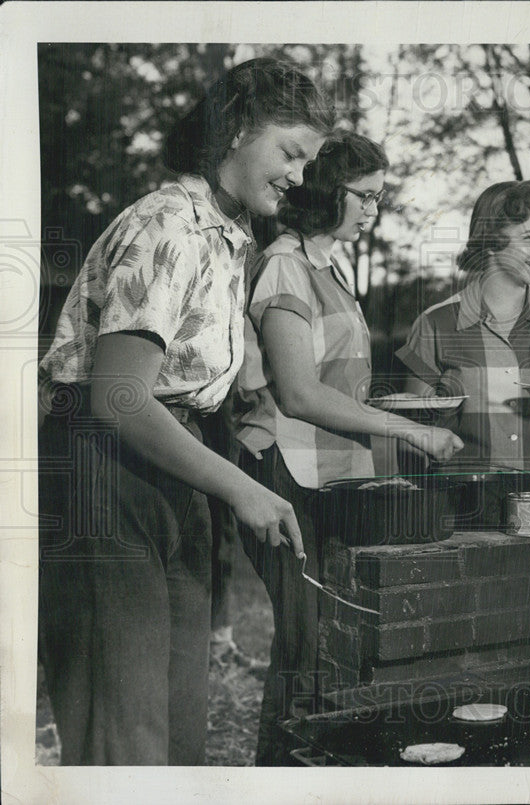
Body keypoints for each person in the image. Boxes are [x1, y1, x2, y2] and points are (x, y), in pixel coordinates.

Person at [36, 57, 330, 765]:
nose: (298, 176)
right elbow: (119, 394)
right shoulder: (167, 223)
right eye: (290, 153)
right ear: (233, 129)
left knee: (179, 724)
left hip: (177, 461)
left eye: (308, 161)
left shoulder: (229, 238)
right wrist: (241, 487)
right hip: (105, 469)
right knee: (124, 734)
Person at [234, 132, 464, 765]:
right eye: (365, 195)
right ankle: (280, 775)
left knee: (324, 642)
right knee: (304, 643)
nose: (375, 209)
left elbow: (338, 385)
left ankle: (304, 770)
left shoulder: (327, 267)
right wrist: (409, 429)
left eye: (380, 196)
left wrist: (395, 413)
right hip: (282, 471)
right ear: (325, 194)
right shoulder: (284, 265)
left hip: (326, 475)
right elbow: (301, 395)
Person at [396, 180, 530, 477]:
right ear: (490, 242)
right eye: (529, 237)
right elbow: (413, 439)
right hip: (464, 504)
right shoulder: (436, 324)